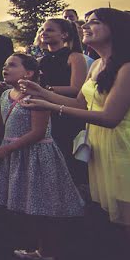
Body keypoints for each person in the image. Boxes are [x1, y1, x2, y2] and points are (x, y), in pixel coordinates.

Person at [19, 8, 130, 260]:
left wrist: (49, 106)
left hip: (126, 151)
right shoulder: (98, 64)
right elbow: (77, 102)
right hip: (101, 150)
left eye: (95, 22)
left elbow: (110, 117)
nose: (87, 26)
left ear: (117, 28)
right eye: (86, 22)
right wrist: (40, 91)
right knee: (118, 225)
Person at [0, 53, 84, 260]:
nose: (5, 68)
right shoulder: (5, 95)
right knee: (33, 209)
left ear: (29, 73)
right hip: (17, 155)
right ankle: (43, 250)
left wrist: (7, 149)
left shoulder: (35, 96)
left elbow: (37, 132)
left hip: (37, 157)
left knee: (48, 211)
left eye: (12, 65)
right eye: (4, 65)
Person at [38, 18, 88, 186]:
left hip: (68, 111)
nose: (44, 33)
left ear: (64, 34)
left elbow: (77, 88)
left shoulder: (75, 57)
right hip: (46, 111)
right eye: (43, 30)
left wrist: (46, 90)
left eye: (50, 30)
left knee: (68, 153)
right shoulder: (42, 60)